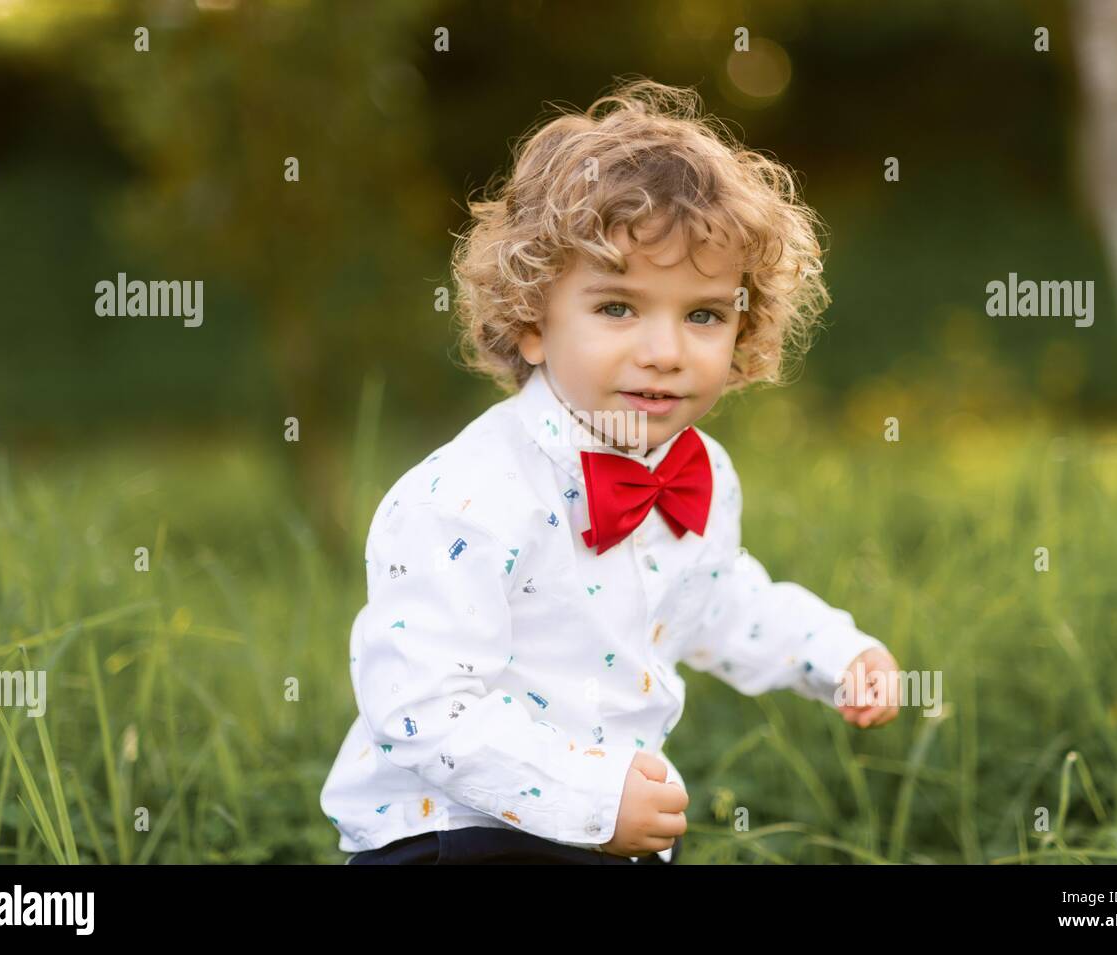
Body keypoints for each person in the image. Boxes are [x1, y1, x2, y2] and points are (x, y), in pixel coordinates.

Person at [321, 77, 900, 866]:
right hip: (451, 828)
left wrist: (836, 653)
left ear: (745, 330)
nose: (664, 350)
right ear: (531, 322)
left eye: (703, 315)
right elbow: (421, 706)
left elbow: (721, 599)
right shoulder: (464, 497)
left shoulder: (700, 472)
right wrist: (589, 798)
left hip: (601, 831)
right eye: (618, 308)